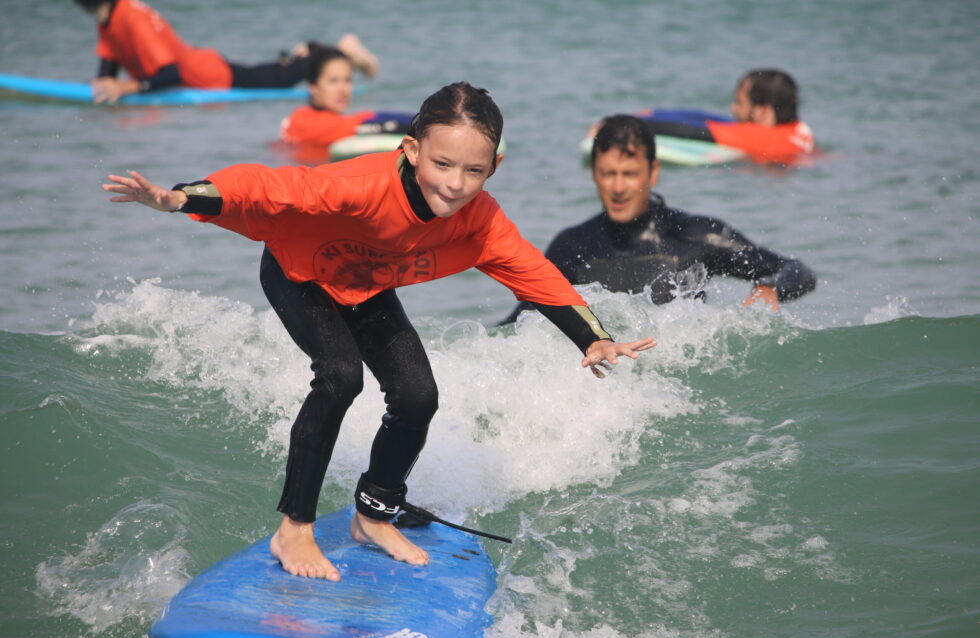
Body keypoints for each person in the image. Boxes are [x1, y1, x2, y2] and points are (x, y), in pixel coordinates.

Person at [101, 83, 655, 581]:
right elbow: (271, 188)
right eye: (442, 164)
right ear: (411, 149)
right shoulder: (360, 185)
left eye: (474, 172)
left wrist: (593, 338)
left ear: (495, 166)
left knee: (418, 396)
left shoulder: (481, 220)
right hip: (300, 273)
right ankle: (293, 528)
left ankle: (373, 512)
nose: (456, 184)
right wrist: (181, 198)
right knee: (341, 377)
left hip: (364, 285)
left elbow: (534, 274)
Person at [501, 114, 815, 324]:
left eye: (630, 174)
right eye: (608, 174)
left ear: (653, 172)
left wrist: (770, 287)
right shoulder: (574, 245)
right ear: (595, 175)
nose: (619, 187)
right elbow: (522, 320)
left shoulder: (695, 235)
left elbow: (797, 271)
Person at [74, 0, 379, 104]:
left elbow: (171, 74)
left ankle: (337, 52)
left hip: (212, 76)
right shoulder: (110, 17)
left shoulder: (131, 17)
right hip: (204, 67)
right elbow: (108, 68)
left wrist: (127, 87)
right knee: (270, 72)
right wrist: (107, 86)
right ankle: (307, 53)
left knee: (278, 79)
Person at [639, 69, 814, 165]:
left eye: (739, 103)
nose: (733, 108)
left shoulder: (761, 137)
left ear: (763, 111)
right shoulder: (798, 130)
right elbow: (711, 119)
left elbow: (695, 131)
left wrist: (632, 125)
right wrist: (656, 113)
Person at [278, 45, 413, 160]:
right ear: (313, 87)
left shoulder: (310, 118)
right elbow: (376, 124)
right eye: (333, 81)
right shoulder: (304, 121)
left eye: (347, 80)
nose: (343, 89)